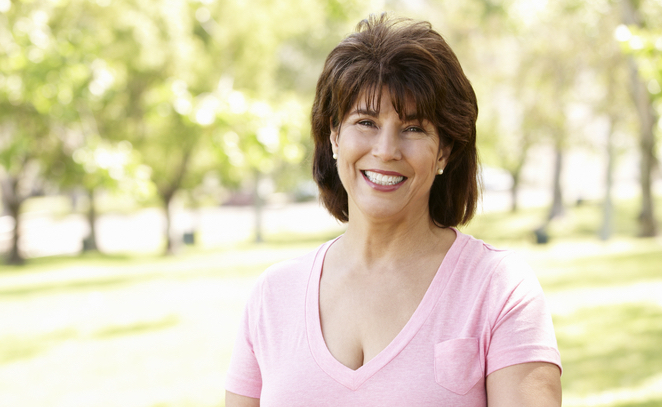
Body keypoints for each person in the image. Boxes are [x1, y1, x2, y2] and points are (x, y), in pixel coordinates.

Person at [225, 14, 562, 407]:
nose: (386, 150)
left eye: (414, 128)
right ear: (334, 136)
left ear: (445, 150)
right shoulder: (273, 295)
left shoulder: (499, 288)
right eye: (366, 121)